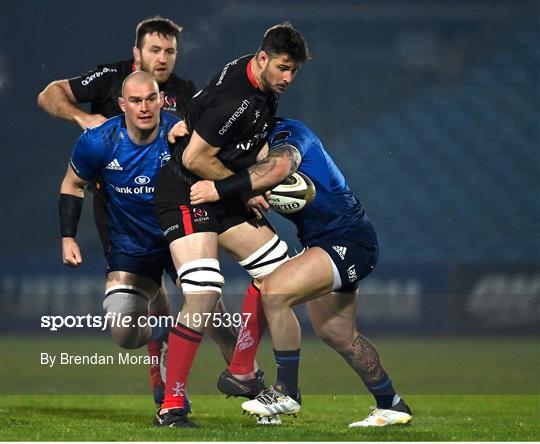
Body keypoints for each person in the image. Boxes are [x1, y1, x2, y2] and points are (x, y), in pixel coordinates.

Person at [38, 16, 238, 406]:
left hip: (177, 218)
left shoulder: (185, 95)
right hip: (123, 216)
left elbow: (205, 155)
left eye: (170, 51)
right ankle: (160, 331)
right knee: (127, 327)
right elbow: (49, 93)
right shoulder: (108, 80)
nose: (162, 59)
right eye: (154, 50)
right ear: (136, 54)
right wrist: (82, 117)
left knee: (211, 309)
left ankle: (250, 381)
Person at [189, 117, 413, 427]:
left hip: (349, 240)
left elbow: (280, 166)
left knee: (274, 290)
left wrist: (219, 188)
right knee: (338, 334)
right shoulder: (244, 156)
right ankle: (391, 403)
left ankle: (286, 391)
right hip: (322, 243)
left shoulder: (290, 134)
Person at [152, 22, 309, 428]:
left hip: (220, 190)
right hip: (188, 192)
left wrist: (245, 179)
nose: (288, 78)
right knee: (203, 293)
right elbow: (194, 159)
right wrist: (244, 189)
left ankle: (241, 370)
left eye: (294, 71)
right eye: (284, 68)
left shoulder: (259, 84)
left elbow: (213, 115)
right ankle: (172, 403)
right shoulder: (238, 98)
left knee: (277, 272)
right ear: (262, 59)